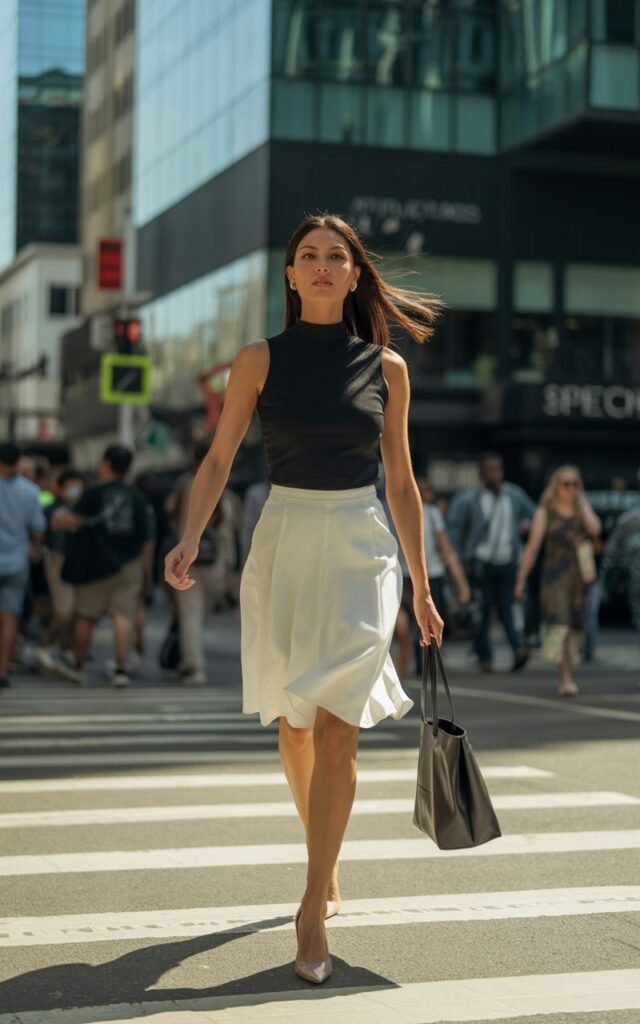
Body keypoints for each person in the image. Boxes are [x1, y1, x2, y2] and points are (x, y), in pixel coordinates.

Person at [164, 213, 444, 984]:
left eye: (336, 256)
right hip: (285, 540)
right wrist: (190, 537)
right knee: (294, 729)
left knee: (337, 728)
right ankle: (326, 859)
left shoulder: (387, 368)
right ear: (290, 275)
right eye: (309, 256)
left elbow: (402, 484)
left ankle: (311, 905)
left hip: (361, 546)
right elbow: (218, 460)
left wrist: (422, 586)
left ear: (354, 275)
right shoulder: (257, 359)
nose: (322, 266)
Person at [54, 445, 153, 687]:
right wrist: (147, 572)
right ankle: (120, 669)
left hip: (94, 565)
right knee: (123, 616)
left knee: (87, 616)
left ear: (106, 464)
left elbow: (73, 521)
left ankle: (79, 665)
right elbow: (147, 539)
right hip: (128, 564)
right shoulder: (137, 496)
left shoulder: (92, 493)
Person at [515, 466, 601, 697]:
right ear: (556, 486)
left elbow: (595, 528)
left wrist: (582, 504)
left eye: (575, 484)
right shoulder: (545, 512)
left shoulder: (581, 508)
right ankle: (565, 677)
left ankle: (568, 669)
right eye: (566, 484)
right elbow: (532, 548)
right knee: (560, 626)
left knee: (576, 628)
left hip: (580, 577)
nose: (571, 488)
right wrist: (521, 579)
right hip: (554, 578)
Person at [447, 453, 535, 673]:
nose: (495, 475)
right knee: (483, 610)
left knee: (507, 607)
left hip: (507, 560)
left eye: (498, 470)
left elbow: (533, 513)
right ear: (482, 474)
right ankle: (485, 657)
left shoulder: (513, 495)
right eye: (490, 470)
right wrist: (462, 558)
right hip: (481, 561)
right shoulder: (469, 500)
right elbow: (454, 530)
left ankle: (518, 649)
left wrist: (525, 523)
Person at [167, 442, 235, 686]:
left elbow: (174, 516)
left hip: (188, 558)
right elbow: (228, 533)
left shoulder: (187, 485)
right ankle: (191, 660)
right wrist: (230, 568)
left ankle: (194, 666)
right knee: (198, 614)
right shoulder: (226, 490)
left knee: (190, 615)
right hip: (217, 562)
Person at [394, 475, 471, 680]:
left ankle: (422, 669)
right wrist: (462, 583)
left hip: (417, 576)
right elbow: (447, 550)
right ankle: (414, 672)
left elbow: (447, 550)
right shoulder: (424, 512)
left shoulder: (425, 513)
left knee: (417, 627)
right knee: (416, 627)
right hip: (416, 577)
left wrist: (461, 583)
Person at [0, 442, 46, 688]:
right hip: (17, 562)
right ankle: (3, 670)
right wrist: (33, 548)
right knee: (10, 618)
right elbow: (38, 528)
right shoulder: (30, 491)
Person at [33, 469, 85, 676]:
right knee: (64, 610)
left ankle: (66, 649)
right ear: (60, 488)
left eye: (78, 487)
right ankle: (46, 646)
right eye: (71, 487)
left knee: (78, 610)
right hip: (57, 560)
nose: (75, 491)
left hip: (79, 563)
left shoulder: (84, 506)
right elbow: (54, 521)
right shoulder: (51, 507)